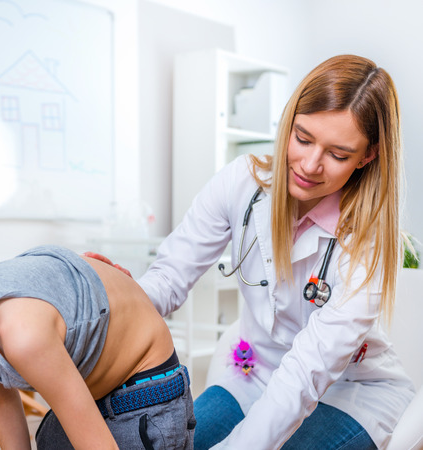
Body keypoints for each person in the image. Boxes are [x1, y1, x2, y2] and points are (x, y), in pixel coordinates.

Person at [90, 54, 415, 449]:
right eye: (303, 138)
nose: (310, 164)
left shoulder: (369, 241)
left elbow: (308, 369)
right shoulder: (241, 183)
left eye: (338, 154)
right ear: (288, 121)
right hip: (253, 376)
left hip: (350, 391)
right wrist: (116, 297)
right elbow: (169, 279)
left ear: (368, 155)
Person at [0, 245, 195, 449]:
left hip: (146, 392)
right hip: (98, 390)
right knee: (50, 440)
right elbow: (1, 403)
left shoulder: (22, 335)